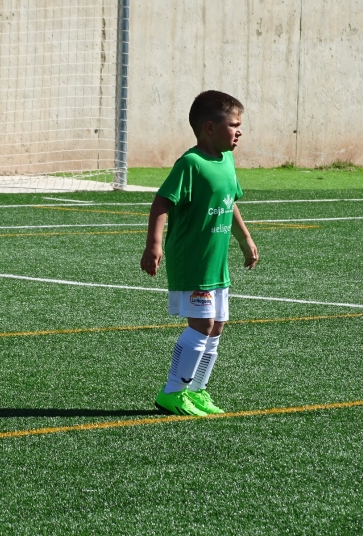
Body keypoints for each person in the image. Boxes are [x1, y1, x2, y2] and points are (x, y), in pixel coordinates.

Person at [140, 90, 258, 416]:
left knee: (217, 325)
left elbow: (229, 202)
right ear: (209, 127)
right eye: (233, 125)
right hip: (193, 262)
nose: (239, 131)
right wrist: (154, 244)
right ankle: (172, 392)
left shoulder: (227, 161)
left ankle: (197, 390)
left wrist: (245, 239)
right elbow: (163, 202)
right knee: (202, 324)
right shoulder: (190, 164)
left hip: (216, 265)